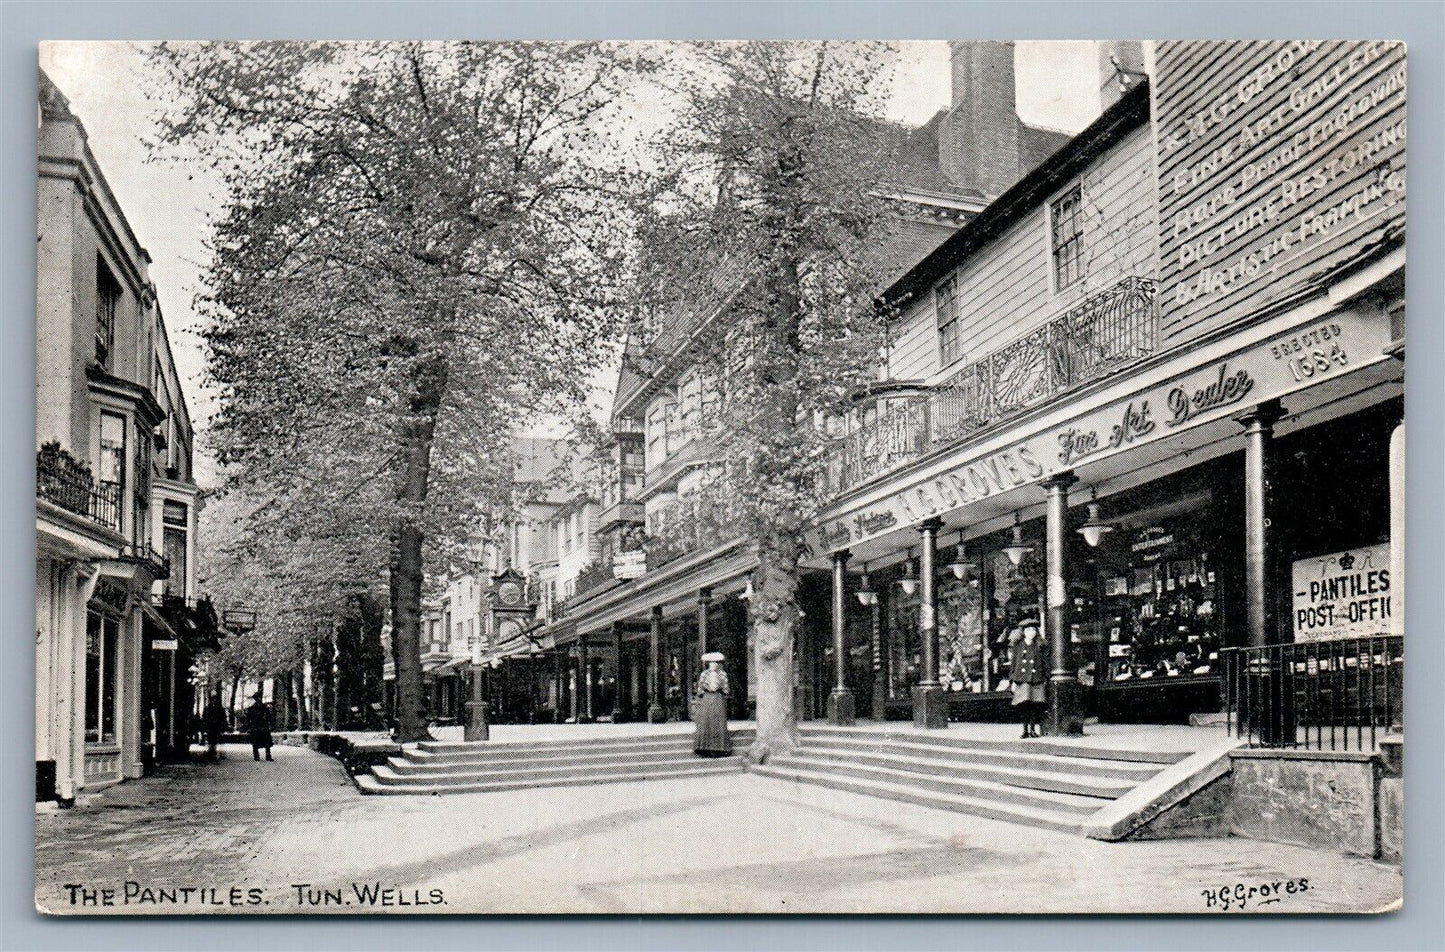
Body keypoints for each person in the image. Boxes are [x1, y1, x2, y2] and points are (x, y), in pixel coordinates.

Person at [1009, 619, 1047, 739]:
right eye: (1028, 630)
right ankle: (1025, 730)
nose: (1031, 632)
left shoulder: (1040, 645)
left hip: (1036, 679)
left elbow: (1045, 663)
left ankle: (1033, 729)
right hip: (1022, 679)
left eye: (1033, 630)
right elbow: (1014, 663)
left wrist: (1045, 678)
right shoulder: (1018, 646)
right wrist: (1013, 680)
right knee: (1024, 705)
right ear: (1023, 631)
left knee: (1035, 705)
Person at [692, 652, 732, 757]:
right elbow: (699, 688)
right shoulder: (704, 674)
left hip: (718, 698)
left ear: (718, 664)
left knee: (718, 721)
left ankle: (720, 748)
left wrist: (722, 688)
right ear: (708, 664)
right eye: (710, 663)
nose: (713, 665)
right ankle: (704, 748)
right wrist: (702, 691)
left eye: (715, 663)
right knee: (706, 720)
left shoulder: (722, 674)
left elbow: (726, 689)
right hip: (707, 698)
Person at [244, 690, 274, 762]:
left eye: (259, 698)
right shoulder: (253, 708)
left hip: (261, 726)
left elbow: (268, 716)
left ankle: (267, 756)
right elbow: (249, 718)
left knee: (266, 743)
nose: (259, 699)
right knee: (257, 742)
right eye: (257, 698)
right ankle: (258, 757)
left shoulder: (262, 707)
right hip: (257, 726)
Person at [203, 694, 227, 761]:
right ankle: (211, 752)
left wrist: (222, 726)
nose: (214, 701)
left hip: (216, 726)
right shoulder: (207, 709)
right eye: (213, 700)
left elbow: (223, 718)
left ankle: (214, 752)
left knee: (215, 739)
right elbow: (204, 717)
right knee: (210, 739)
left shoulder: (220, 709)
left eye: (215, 700)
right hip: (210, 726)